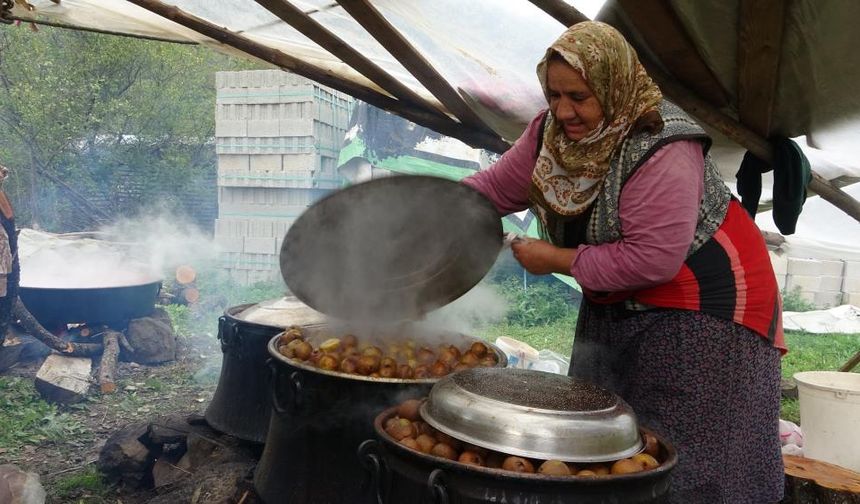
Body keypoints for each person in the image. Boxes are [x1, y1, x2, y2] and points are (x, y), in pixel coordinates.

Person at [464, 21, 785, 504]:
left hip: (707, 308)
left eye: (578, 96)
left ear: (613, 85)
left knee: (683, 452)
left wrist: (554, 259)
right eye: (553, 94)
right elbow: (494, 190)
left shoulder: (662, 144)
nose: (563, 110)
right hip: (619, 295)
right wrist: (430, 209)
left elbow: (653, 259)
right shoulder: (550, 132)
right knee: (606, 433)